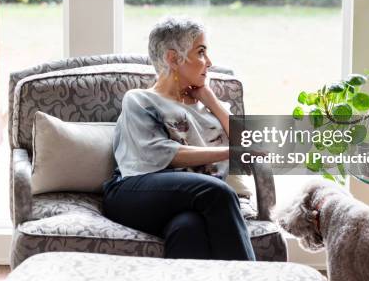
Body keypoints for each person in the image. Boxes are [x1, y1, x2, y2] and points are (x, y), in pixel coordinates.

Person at [102, 17, 255, 260]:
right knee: (220, 192)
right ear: (173, 58)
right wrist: (229, 152)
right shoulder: (140, 100)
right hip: (133, 192)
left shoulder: (212, 107)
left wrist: (212, 101)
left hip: (191, 200)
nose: (210, 62)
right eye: (201, 52)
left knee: (188, 227)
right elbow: (162, 153)